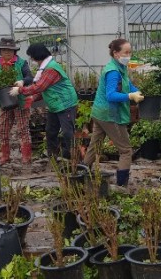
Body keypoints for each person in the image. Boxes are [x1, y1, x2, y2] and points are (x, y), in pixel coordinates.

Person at [83, 38, 145, 188]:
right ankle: (121, 185)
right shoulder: (113, 72)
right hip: (110, 115)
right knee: (125, 150)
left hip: (99, 113)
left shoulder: (119, 67)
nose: (129, 55)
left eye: (130, 52)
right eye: (126, 52)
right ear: (116, 53)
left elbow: (126, 83)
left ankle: (81, 175)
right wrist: (130, 96)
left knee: (95, 145)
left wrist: (135, 90)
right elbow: (111, 95)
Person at [16, 43, 78, 162]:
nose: (32, 60)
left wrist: (20, 90)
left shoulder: (51, 68)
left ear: (37, 56)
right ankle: (52, 155)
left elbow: (40, 86)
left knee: (67, 132)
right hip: (55, 105)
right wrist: (33, 98)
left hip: (66, 103)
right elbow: (45, 88)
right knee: (50, 130)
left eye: (32, 57)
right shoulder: (43, 69)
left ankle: (71, 157)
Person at [0, 38, 33, 164]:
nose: (7, 52)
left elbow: (30, 77)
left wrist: (22, 82)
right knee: (2, 129)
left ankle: (26, 156)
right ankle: (5, 156)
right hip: (4, 101)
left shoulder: (21, 63)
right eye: (4, 50)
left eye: (10, 50)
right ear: (0, 52)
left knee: (23, 128)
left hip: (20, 100)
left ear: (15, 52)